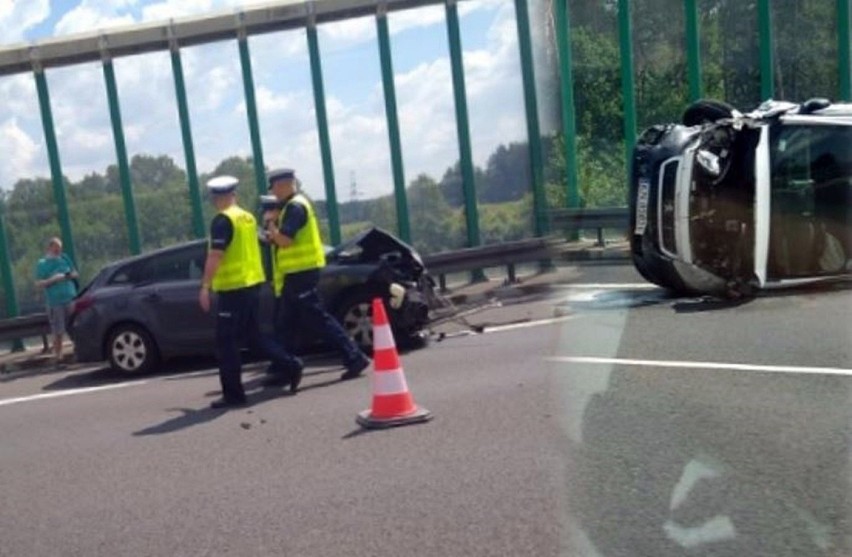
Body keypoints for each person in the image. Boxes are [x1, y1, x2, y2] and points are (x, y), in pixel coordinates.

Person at [199, 175, 303, 408]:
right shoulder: (246, 218)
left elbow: (216, 255)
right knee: (253, 337)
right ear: (234, 195)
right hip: (252, 285)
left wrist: (205, 286)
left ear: (216, 198)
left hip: (233, 289)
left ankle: (234, 395)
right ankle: (291, 364)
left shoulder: (222, 220)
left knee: (226, 343)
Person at [262, 168, 370, 383]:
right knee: (285, 321)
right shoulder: (292, 206)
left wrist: (271, 224)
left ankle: (354, 356)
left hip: (301, 273)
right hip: (295, 274)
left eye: (274, 187)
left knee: (317, 319)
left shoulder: (295, 207)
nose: (273, 192)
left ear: (283, 184)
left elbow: (285, 240)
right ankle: (284, 367)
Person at [34, 237, 78, 368]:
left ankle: (78, 352)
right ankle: (58, 357)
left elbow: (75, 273)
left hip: (70, 298)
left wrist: (66, 276)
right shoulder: (42, 263)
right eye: (56, 247)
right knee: (58, 330)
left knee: (74, 327)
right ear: (50, 248)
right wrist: (52, 280)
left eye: (60, 247)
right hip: (55, 301)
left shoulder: (64, 258)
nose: (59, 250)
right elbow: (38, 283)